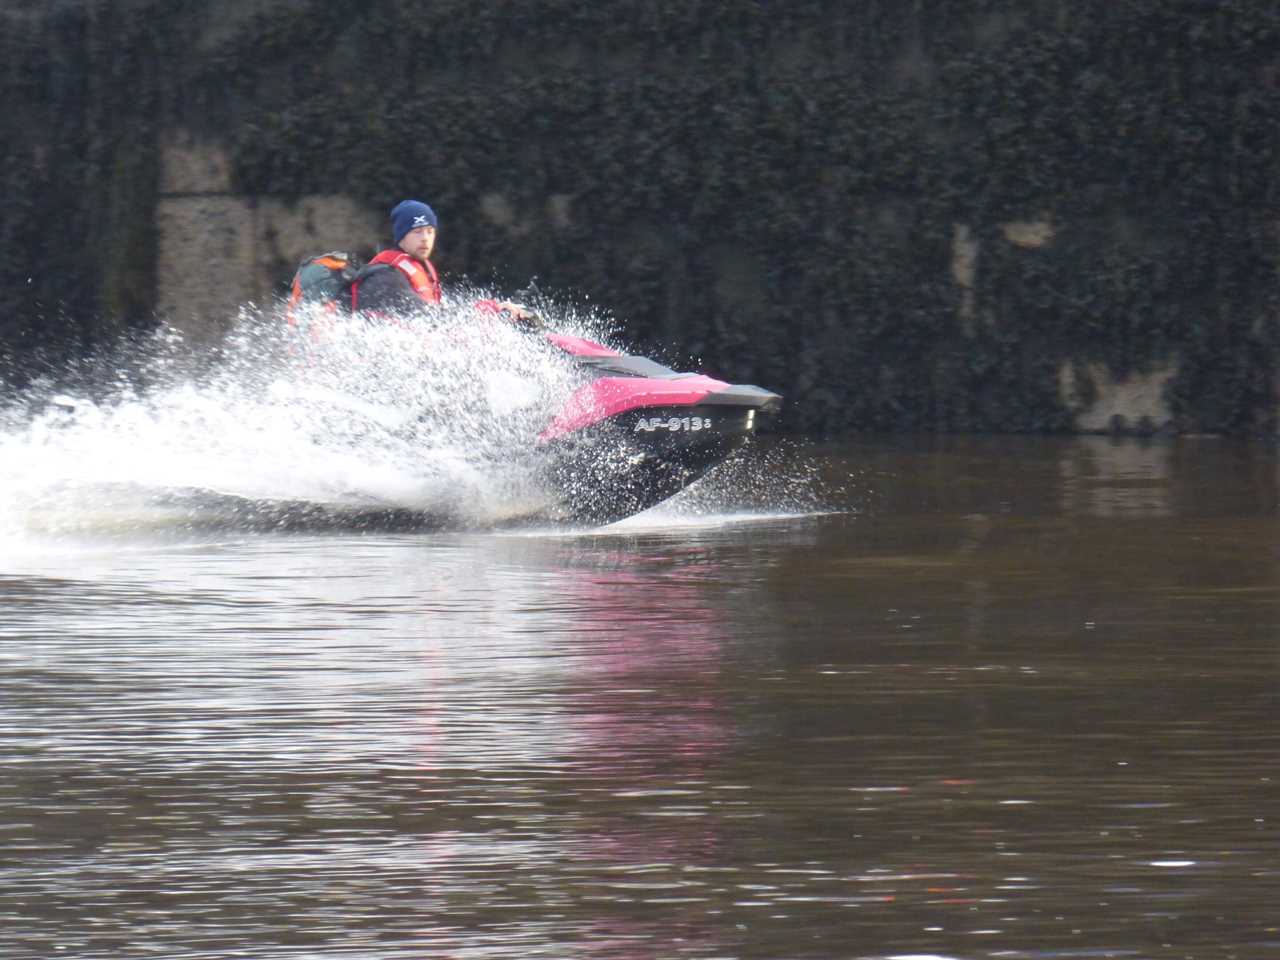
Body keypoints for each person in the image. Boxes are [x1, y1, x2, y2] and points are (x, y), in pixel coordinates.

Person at [351, 199, 535, 323]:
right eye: (417, 232)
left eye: (429, 231)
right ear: (401, 236)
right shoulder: (385, 277)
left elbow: (441, 315)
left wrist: (498, 308)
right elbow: (427, 318)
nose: (425, 238)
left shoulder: (419, 270)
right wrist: (488, 311)